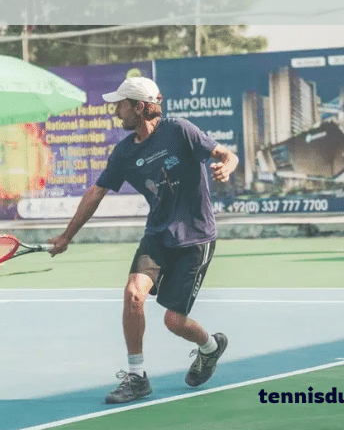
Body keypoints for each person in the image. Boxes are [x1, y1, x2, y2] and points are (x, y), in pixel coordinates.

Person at [48, 77, 239, 404]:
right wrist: (68, 235)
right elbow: (96, 192)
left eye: (121, 104)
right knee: (133, 294)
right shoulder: (123, 152)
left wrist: (227, 166)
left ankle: (210, 347)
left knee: (173, 322)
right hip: (157, 236)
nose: (116, 110)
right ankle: (137, 378)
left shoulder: (179, 130)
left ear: (139, 107)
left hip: (195, 237)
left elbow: (226, 155)